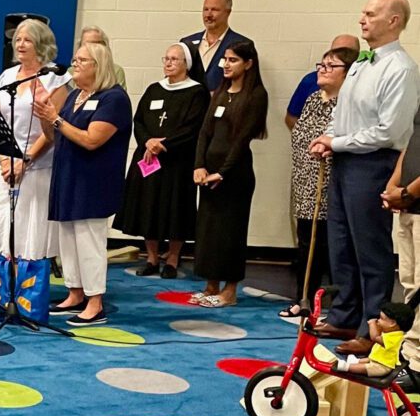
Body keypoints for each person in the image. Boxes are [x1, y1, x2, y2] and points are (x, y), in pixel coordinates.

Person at [309, 0, 420, 357]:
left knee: (369, 248)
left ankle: (372, 325)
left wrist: (338, 142)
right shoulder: (358, 64)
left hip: (374, 163)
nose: (362, 19)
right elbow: (345, 113)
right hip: (346, 160)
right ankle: (344, 313)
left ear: (393, 21)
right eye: (363, 13)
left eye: (370, 14)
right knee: (341, 244)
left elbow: (390, 131)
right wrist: (331, 140)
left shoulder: (401, 68)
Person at [33, 42, 132, 325]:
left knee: (89, 242)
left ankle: (95, 302)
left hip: (93, 182)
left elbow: (91, 139)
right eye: (75, 59)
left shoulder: (113, 99)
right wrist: (45, 116)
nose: (75, 65)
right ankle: (75, 293)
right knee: (68, 240)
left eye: (82, 61)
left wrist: (56, 119)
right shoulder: (77, 95)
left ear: (98, 66)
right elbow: (54, 136)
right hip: (68, 177)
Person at [117, 42, 209, 279]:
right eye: (166, 58)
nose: (168, 63)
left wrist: (163, 144)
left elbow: (193, 126)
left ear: (186, 64)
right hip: (149, 158)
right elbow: (139, 120)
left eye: (174, 59)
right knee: (149, 205)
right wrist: (147, 141)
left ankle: (173, 258)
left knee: (175, 207)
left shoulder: (196, 92)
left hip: (177, 161)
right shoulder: (153, 89)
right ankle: (151, 257)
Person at [279, 47, 359, 318]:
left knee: (328, 245)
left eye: (330, 66)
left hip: (330, 184)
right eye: (321, 64)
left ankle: (332, 304)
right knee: (306, 242)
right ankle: (302, 298)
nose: (322, 70)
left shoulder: (348, 104)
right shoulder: (313, 98)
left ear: (347, 73)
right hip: (304, 181)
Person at [190, 40, 268, 308]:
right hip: (209, 173)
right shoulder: (221, 92)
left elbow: (241, 139)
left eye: (233, 60)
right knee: (209, 231)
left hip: (234, 176)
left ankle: (230, 289)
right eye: (225, 59)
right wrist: (199, 165)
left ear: (248, 64)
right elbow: (204, 132)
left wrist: (222, 173)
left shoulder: (256, 95)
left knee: (230, 232)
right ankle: (211, 285)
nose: (226, 64)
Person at [0, 18, 70, 260]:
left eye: (27, 40)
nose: (20, 44)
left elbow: (52, 130)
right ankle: (2, 282)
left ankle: (26, 286)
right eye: (18, 40)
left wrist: (25, 160)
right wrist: (5, 158)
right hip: (5, 164)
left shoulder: (54, 79)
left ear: (41, 44)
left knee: (26, 229)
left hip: (37, 165)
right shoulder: (7, 76)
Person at [382, 106, 420, 390]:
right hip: (410, 208)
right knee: (410, 284)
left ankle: (417, 365)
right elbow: (412, 143)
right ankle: (409, 354)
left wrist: (406, 193)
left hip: (414, 201)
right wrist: (393, 185)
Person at [284, 35, 360, 130]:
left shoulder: (359, 96)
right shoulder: (312, 93)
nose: (322, 70)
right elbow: (291, 117)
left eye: (345, 54)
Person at [180, 0, 250, 92]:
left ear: (228, 12)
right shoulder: (187, 43)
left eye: (215, 10)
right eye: (205, 9)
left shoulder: (242, 44)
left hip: (223, 105)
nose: (208, 14)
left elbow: (248, 84)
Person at [332, 302, 414, 377]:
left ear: (392, 324)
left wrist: (372, 324)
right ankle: (357, 361)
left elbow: (374, 337)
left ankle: (348, 367)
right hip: (378, 358)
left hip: (383, 366)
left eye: (382, 318)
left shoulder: (394, 337)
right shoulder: (390, 332)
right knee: (369, 359)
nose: (378, 320)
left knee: (368, 368)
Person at [68, 25, 127, 90]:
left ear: (104, 46)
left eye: (95, 44)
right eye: (86, 44)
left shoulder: (116, 71)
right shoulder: (72, 71)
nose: (90, 47)